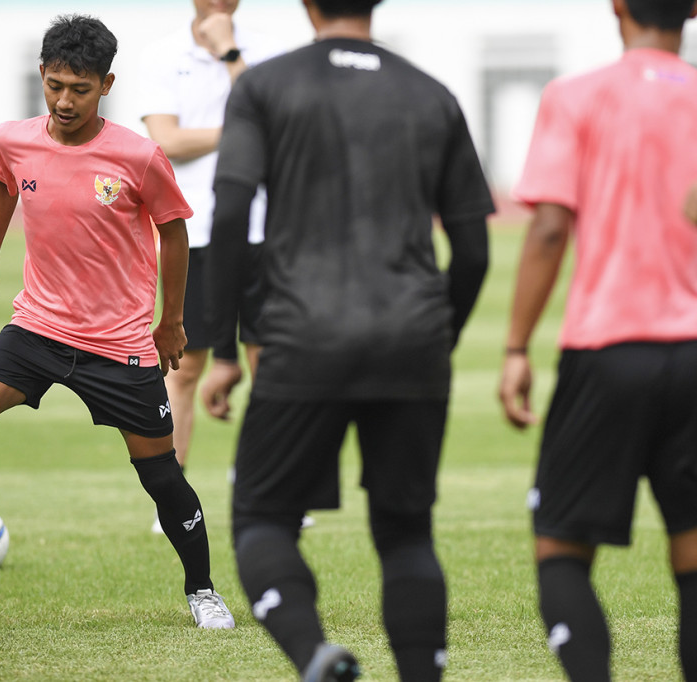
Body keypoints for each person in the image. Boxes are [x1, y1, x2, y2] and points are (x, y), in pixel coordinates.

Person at [0, 13, 236, 630]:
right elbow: (1, 186)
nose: (64, 100)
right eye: (54, 85)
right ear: (41, 77)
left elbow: (174, 233)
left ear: (107, 85)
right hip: (38, 328)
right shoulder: (15, 139)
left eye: (80, 88)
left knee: (160, 472)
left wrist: (171, 320)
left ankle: (202, 590)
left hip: (118, 341)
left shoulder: (139, 155)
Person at [204, 0, 493, 678]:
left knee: (263, 520)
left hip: (304, 337)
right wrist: (435, 338)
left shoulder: (263, 87)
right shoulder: (433, 95)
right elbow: (474, 250)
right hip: (415, 338)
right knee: (405, 531)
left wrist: (222, 351)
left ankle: (315, 655)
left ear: (308, 4)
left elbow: (230, 216)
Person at [499, 1, 697, 679]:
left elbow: (552, 228)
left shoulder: (577, 95)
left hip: (608, 349)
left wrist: (517, 347)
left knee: (560, 549)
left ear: (617, 4)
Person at [137, 0, 284, 534]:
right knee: (185, 368)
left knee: (270, 362)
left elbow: (277, 125)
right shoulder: (161, 56)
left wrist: (230, 52)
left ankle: (270, 493)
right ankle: (173, 500)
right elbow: (167, 142)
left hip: (266, 229)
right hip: (194, 230)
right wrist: (244, 132)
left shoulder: (266, 49)